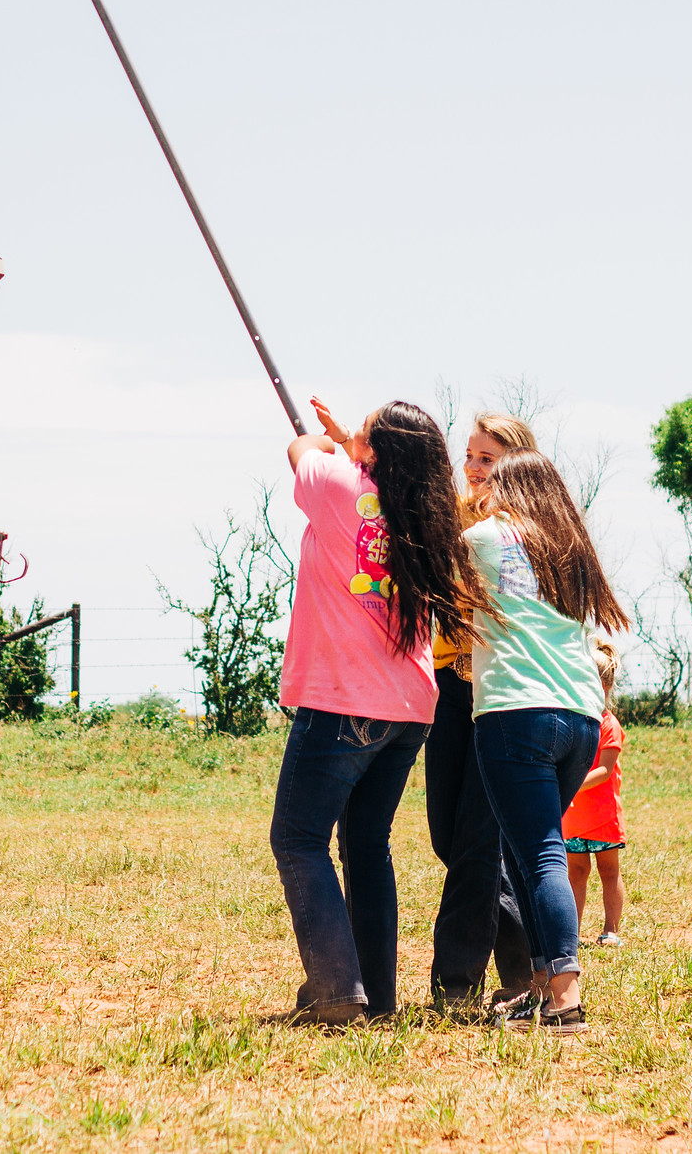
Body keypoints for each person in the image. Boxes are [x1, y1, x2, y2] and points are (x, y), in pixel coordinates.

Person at [271, 397, 489, 1025]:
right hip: (411, 706)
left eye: (366, 421)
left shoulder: (341, 485)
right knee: (366, 844)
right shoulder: (427, 517)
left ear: (379, 449)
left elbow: (298, 452)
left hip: (343, 701)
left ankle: (337, 988)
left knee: (298, 838)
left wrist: (335, 445)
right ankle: (375, 995)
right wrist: (355, 445)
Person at [467, 448, 631, 1034]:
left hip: (514, 711)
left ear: (507, 487)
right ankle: (540, 983)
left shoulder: (482, 539)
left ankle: (565, 997)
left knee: (539, 853)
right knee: (524, 847)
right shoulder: (569, 548)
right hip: (581, 716)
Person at [424, 413, 537, 1008]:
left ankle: (457, 983)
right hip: (446, 682)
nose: (471, 467)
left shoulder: (526, 533)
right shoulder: (458, 518)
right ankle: (525, 967)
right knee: (449, 832)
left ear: (516, 465)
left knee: (474, 837)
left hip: (498, 689)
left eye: (487, 458)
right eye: (468, 455)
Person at [564, 638, 626, 947]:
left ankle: (610, 930)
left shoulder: (608, 724)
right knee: (575, 871)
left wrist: (572, 782)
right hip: (574, 818)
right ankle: (570, 933)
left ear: (603, 684)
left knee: (609, 870)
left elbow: (604, 770)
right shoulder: (575, 722)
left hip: (602, 818)